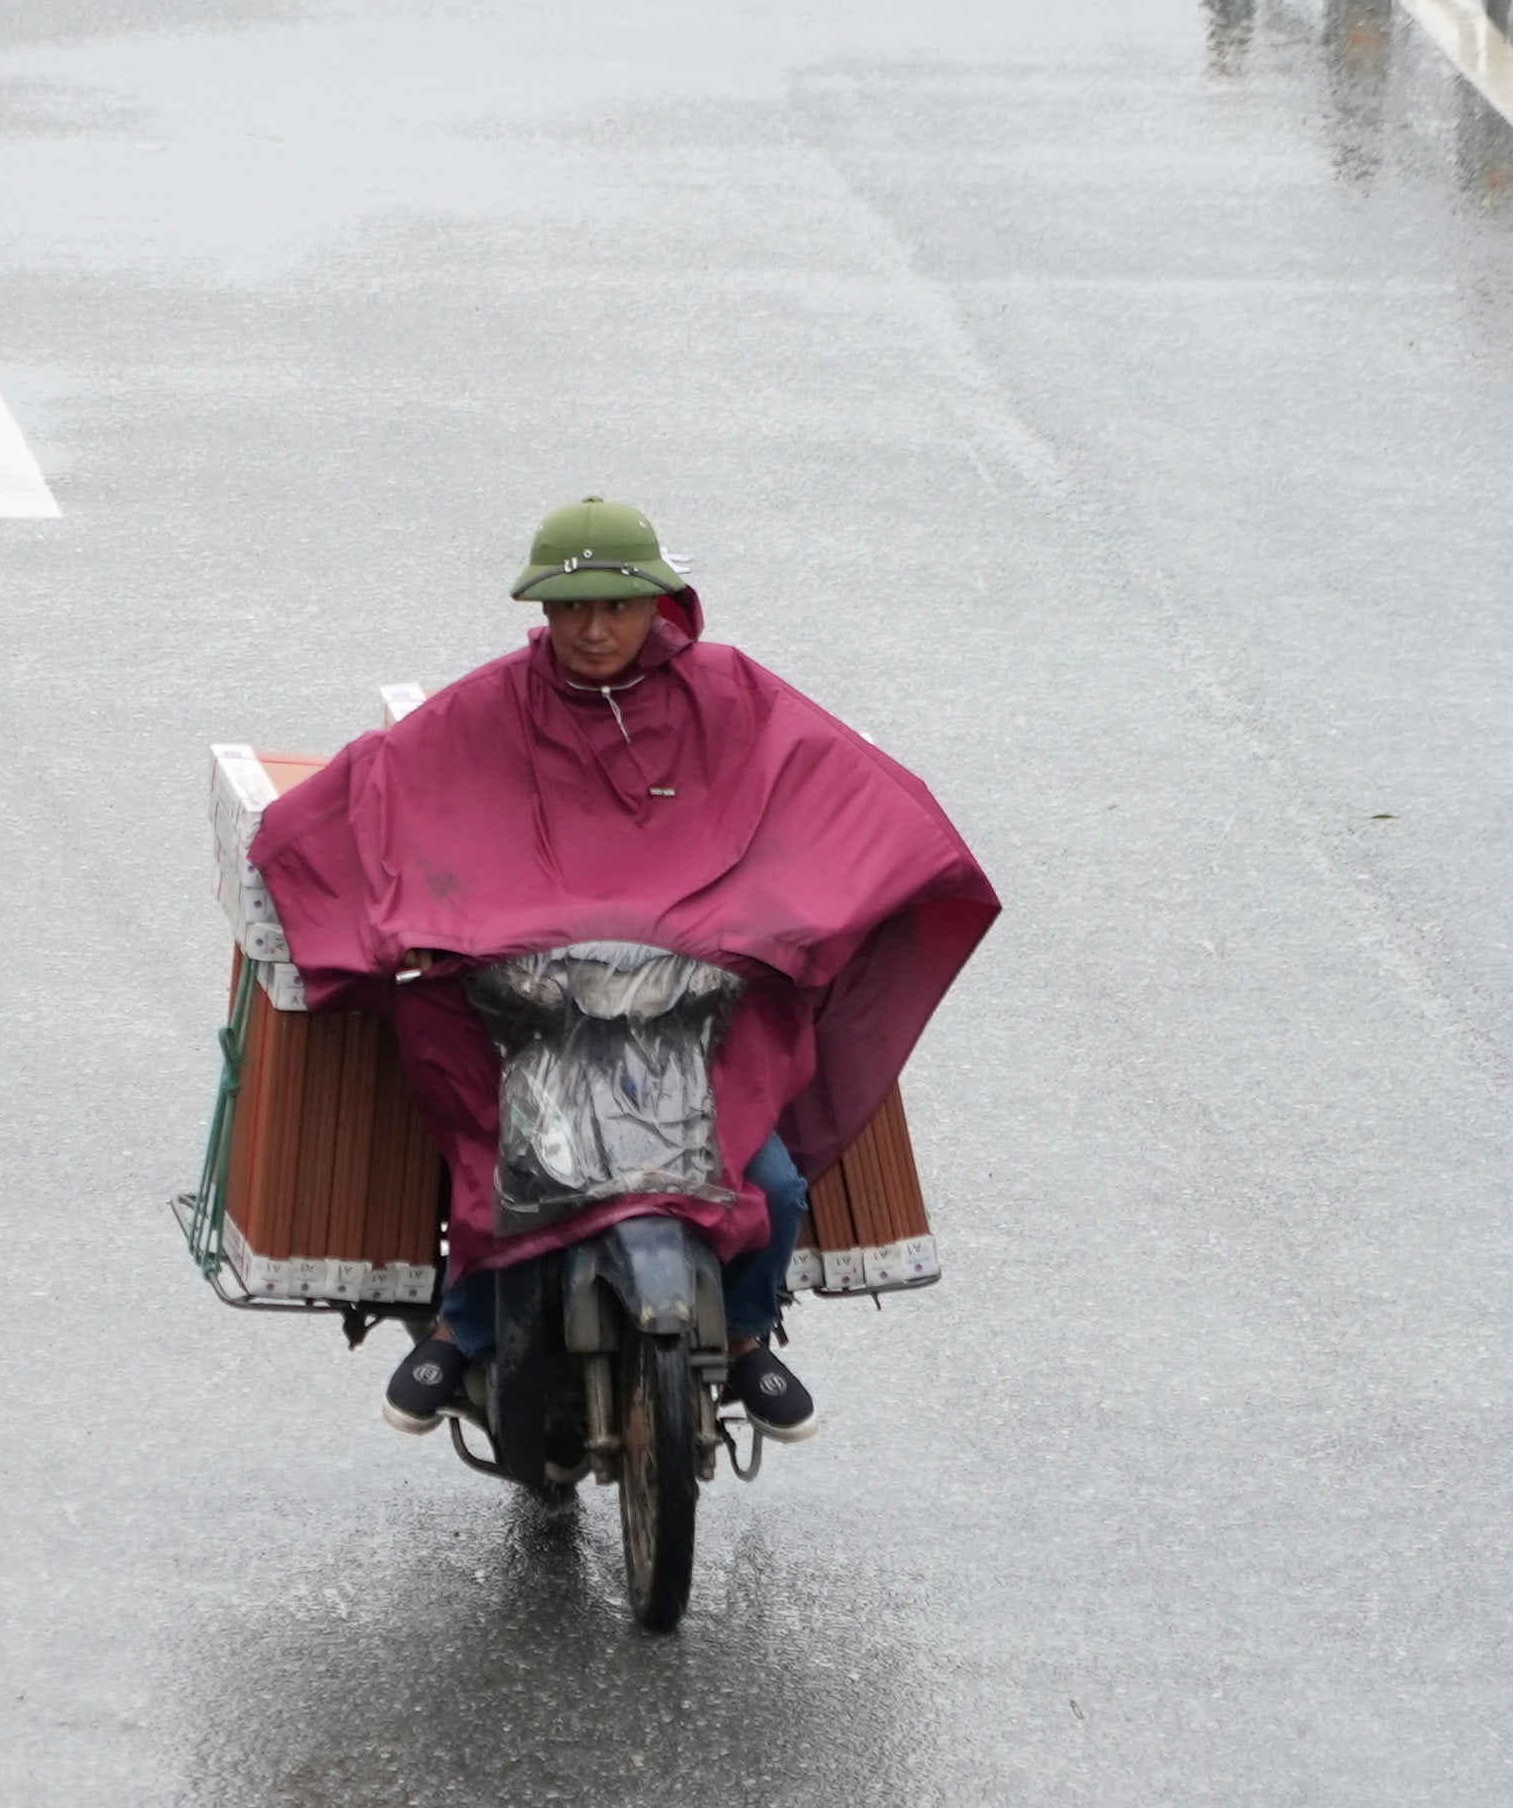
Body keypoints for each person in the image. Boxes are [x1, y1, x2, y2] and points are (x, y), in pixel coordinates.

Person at [249, 497, 998, 1443]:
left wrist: (806, 913)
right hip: (541, 1025)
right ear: (544, 614)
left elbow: (847, 791)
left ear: (660, 603)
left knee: (771, 1183)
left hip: (698, 1028)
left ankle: (754, 1333)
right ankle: (464, 1325)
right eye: (570, 610)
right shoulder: (491, 705)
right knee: (497, 1163)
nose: (593, 630)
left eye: (617, 606)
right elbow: (371, 794)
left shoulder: (731, 695)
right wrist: (413, 923)